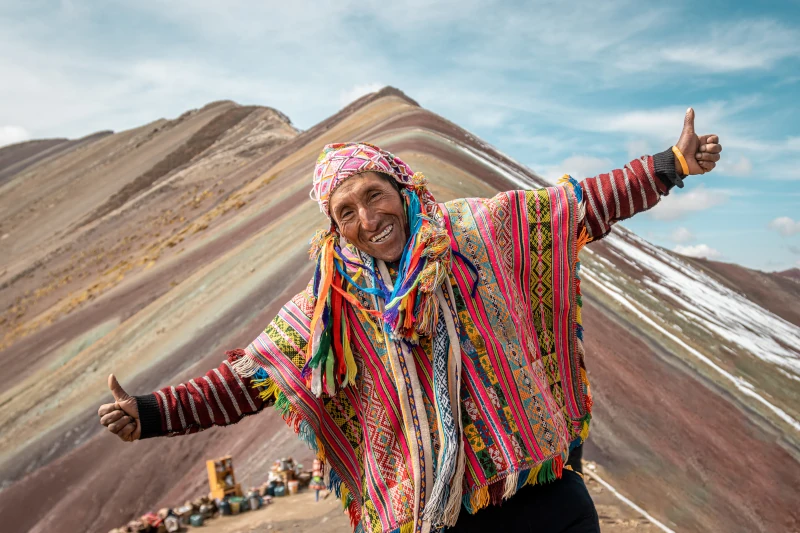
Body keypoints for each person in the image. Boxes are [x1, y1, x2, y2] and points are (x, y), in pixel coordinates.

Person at [98, 108, 721, 533]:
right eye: (346, 211)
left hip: (545, 501)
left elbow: (577, 208)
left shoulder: (481, 230)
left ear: (400, 185)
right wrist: (152, 413)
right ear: (333, 228)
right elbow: (250, 380)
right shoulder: (329, 306)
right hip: (437, 516)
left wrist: (669, 166)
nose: (367, 219)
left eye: (373, 195)